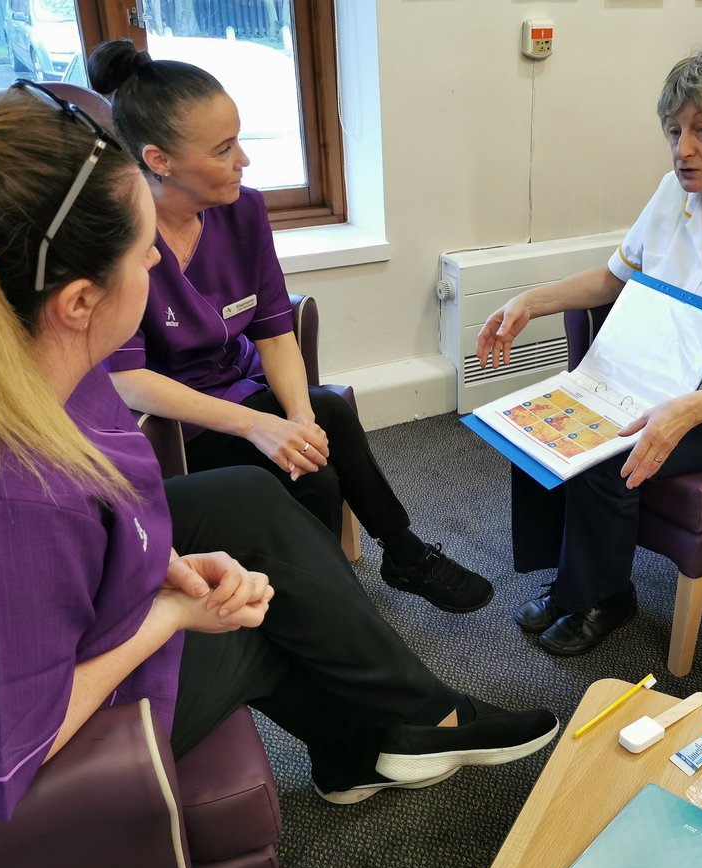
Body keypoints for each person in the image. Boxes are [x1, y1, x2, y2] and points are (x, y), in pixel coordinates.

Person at [0, 85, 557, 821]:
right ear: (80, 301)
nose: (156, 254)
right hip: (33, 751)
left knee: (246, 500)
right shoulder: (7, 500)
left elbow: (116, 511)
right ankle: (399, 733)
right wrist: (164, 614)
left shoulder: (56, 370)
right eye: (137, 246)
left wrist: (159, 562)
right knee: (260, 620)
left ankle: (406, 727)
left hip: (81, 575)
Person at [83, 40, 490, 615]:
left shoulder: (243, 210)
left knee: (325, 414)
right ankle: (337, 603)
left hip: (241, 388)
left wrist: (294, 419)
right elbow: (128, 380)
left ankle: (397, 556)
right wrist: (259, 428)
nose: (243, 160)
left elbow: (275, 331)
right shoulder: (122, 240)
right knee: (316, 480)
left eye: (239, 141)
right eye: (224, 149)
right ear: (159, 160)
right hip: (175, 426)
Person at [476, 37, 702, 656]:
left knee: (602, 457)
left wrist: (688, 410)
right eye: (674, 131)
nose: (684, 149)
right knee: (536, 426)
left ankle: (607, 597)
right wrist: (530, 301)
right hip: (653, 373)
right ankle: (572, 583)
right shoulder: (675, 191)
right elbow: (614, 279)